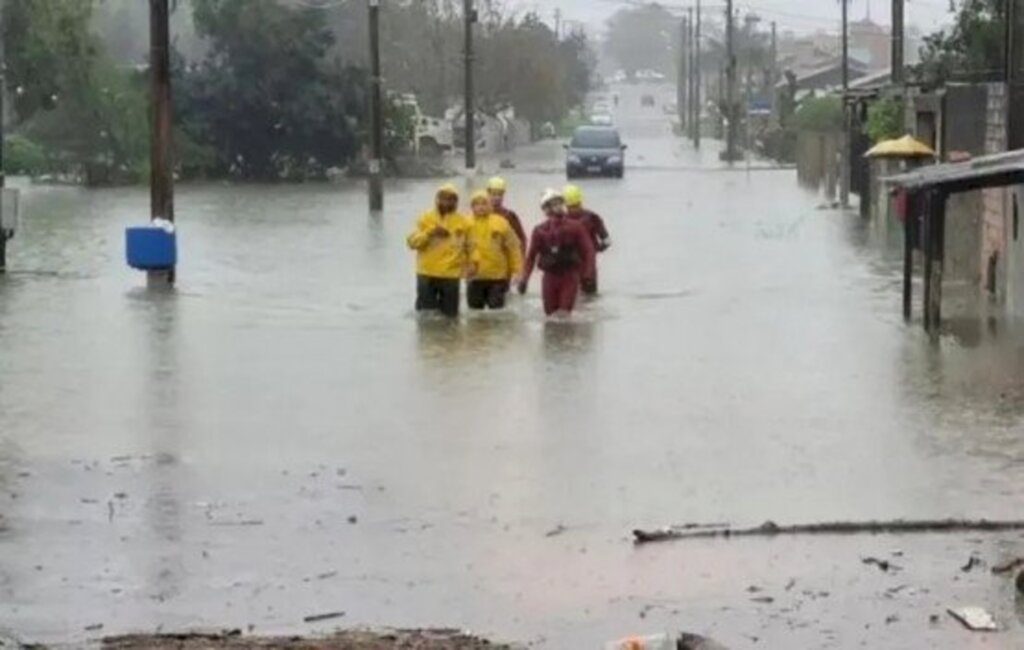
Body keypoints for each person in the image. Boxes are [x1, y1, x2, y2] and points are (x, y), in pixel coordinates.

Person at [517, 189, 595, 316]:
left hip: (569, 276)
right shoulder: (540, 231)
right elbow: (531, 257)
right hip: (549, 277)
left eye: (559, 202)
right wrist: (524, 280)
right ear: (545, 209)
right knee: (550, 316)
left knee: (563, 314)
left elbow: (588, 251)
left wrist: (588, 274)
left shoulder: (575, 227)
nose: (558, 206)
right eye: (553, 204)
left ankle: (567, 336)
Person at [406, 183, 470, 318]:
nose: (447, 202)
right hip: (427, 273)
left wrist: (471, 266)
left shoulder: (463, 221)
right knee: (426, 316)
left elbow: (470, 246)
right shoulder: (425, 218)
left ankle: (448, 339)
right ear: (437, 199)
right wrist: (430, 233)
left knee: (451, 318)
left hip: (451, 274)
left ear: (456, 201)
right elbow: (412, 242)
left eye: (451, 199)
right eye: (443, 198)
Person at [465, 190, 523, 310]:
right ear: (472, 206)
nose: (480, 207)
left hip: (497, 277)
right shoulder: (465, 223)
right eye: (476, 204)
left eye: (483, 203)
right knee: (475, 315)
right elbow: (457, 247)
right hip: (474, 277)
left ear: (489, 205)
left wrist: (517, 270)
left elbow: (513, 247)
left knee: (496, 314)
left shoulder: (501, 222)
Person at [563, 184, 611, 295]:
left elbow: (607, 239)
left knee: (589, 295)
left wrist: (595, 249)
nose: (574, 210)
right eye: (571, 207)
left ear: (580, 203)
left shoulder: (592, 218)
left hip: (587, 265)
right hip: (570, 265)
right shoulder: (562, 220)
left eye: (576, 206)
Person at [486, 176, 527, 256]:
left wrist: (521, 258)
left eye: (500, 194)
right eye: (494, 194)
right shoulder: (480, 215)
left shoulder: (510, 215)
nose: (497, 198)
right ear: (488, 193)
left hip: (505, 260)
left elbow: (521, 239)